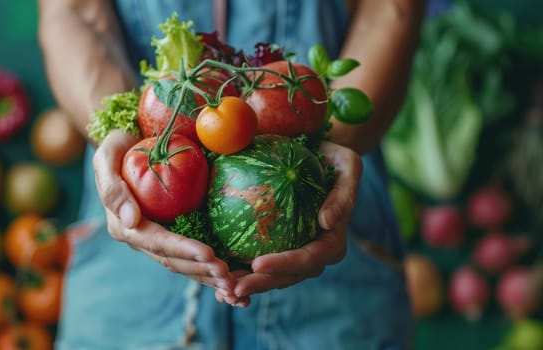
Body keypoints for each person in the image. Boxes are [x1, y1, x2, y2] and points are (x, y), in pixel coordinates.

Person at [37, 0, 425, 349]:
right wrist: (122, 134)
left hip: (339, 259)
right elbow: (72, 12)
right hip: (128, 260)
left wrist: (327, 150)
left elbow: (391, 11)